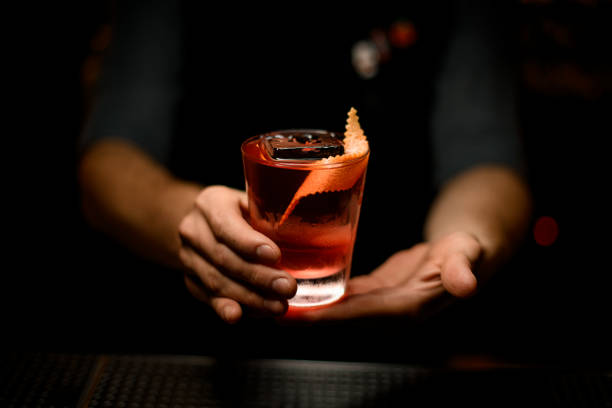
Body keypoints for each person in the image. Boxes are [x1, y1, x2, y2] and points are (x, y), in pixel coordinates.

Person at [78, 1, 532, 328]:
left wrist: (466, 239)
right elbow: (111, 154)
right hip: (188, 335)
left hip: (396, 335)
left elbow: (485, 156)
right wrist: (202, 229)